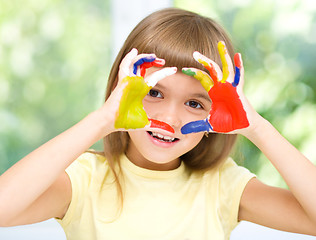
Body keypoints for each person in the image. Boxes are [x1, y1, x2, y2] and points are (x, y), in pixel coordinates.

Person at [0, 7, 315, 240]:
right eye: (153, 92)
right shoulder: (85, 180)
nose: (169, 119)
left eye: (194, 103)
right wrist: (101, 121)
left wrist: (255, 127)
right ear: (120, 90)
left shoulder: (221, 185)